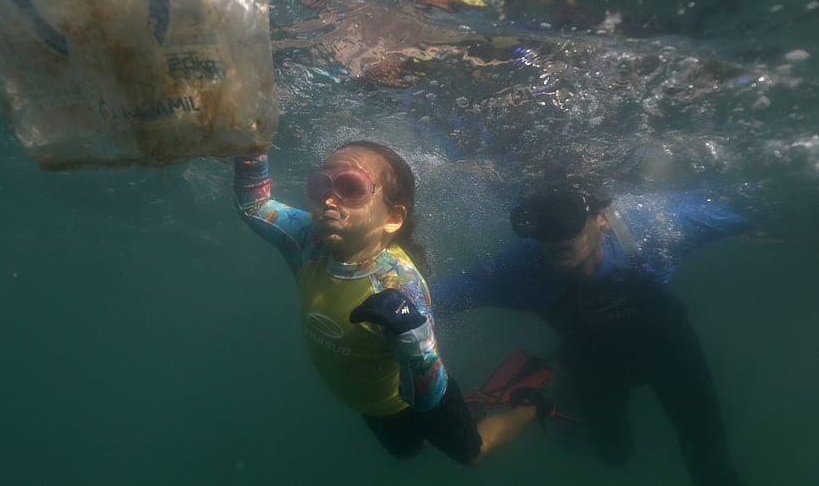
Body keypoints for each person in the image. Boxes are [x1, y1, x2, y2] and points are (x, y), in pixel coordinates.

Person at [233, 141, 542, 464]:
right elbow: (256, 206)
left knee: (471, 454)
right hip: (370, 405)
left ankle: (532, 407)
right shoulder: (308, 240)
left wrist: (414, 339)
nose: (327, 199)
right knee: (407, 452)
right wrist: (252, 146)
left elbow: (428, 398)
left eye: (350, 188)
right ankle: (473, 405)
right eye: (320, 184)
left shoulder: (400, 287)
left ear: (393, 217)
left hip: (417, 399)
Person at [432, 188, 750, 485]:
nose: (553, 234)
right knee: (613, 455)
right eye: (538, 222)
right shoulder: (523, 266)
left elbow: (754, 206)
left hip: (672, 355)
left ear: (602, 217)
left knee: (711, 464)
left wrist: (788, 217)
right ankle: (545, 404)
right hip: (595, 367)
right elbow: (437, 299)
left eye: (565, 216)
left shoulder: (650, 227)